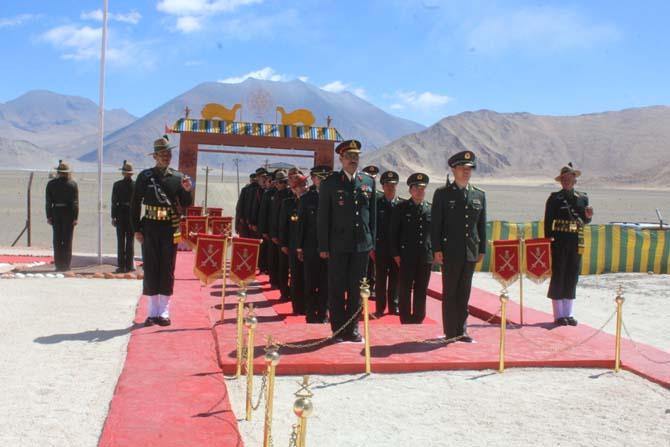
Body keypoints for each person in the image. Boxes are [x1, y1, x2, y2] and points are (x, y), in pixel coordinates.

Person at [318, 140, 376, 342]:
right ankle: (337, 329)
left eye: (356, 156)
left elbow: (372, 215)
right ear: (341, 159)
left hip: (361, 245)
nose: (353, 160)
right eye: (349, 156)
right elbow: (323, 217)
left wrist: (371, 242)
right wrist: (323, 246)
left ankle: (352, 329)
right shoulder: (330, 183)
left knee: (356, 288)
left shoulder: (368, 182)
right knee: (336, 287)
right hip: (338, 245)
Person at [131, 136, 193, 327]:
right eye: (163, 154)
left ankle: (164, 311)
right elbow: (135, 204)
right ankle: (152, 311)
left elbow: (186, 204)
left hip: (169, 227)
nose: (167, 156)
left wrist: (187, 190)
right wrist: (136, 229)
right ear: (155, 156)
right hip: (149, 226)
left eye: (169, 153)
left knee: (167, 267)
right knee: (151, 267)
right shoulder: (144, 177)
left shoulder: (178, 177)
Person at [431, 150, 486, 343]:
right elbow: (436, 224)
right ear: (453, 170)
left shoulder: (479, 195)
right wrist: (436, 249)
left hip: (470, 251)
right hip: (450, 251)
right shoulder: (443, 194)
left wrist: (482, 249)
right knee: (451, 292)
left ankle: (462, 330)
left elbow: (481, 224)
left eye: (469, 169)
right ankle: (450, 331)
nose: (466, 172)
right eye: (462, 168)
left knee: (464, 292)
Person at [544, 163, 593, 326]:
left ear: (575, 180)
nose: (566, 181)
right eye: (564, 179)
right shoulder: (554, 198)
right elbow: (548, 221)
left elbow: (584, 221)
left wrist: (588, 217)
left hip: (575, 240)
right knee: (559, 274)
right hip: (559, 240)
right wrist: (549, 239)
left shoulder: (583, 198)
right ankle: (559, 314)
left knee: (572, 274)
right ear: (561, 181)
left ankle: (569, 313)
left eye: (569, 178)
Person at [390, 173, 432, 324]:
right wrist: (395, 254)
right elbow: (393, 233)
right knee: (405, 289)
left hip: (425, 257)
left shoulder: (430, 209)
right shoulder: (401, 208)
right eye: (416, 188)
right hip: (406, 256)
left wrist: (434, 253)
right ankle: (406, 318)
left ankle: (419, 318)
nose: (420, 191)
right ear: (410, 190)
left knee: (421, 290)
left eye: (422, 188)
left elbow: (434, 234)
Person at [297, 165, 331, 323]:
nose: (322, 181)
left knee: (326, 282)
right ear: (314, 179)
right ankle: (310, 314)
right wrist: (299, 247)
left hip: (329, 247)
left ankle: (323, 313)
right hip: (310, 247)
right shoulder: (306, 199)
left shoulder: (333, 198)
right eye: (319, 178)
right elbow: (301, 225)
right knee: (310, 282)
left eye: (325, 179)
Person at [373, 170, 402, 316]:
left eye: (393, 185)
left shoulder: (402, 205)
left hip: (397, 250)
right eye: (387, 185)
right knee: (380, 279)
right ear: (382, 186)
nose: (390, 188)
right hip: (381, 248)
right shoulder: (377, 204)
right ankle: (380, 307)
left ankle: (394, 306)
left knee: (395, 279)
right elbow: (372, 226)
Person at [280, 173, 309, 314]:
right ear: (293, 188)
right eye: (300, 186)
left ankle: (309, 305)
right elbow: (283, 225)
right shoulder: (288, 203)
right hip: (293, 245)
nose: (304, 188)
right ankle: (297, 307)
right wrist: (283, 244)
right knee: (296, 276)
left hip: (308, 245)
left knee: (308, 276)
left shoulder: (312, 201)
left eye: (305, 185)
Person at [45, 160, 79, 272]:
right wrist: (75, 217)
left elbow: (48, 202)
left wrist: (48, 216)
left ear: (58, 171)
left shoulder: (51, 184)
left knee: (57, 239)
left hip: (56, 212)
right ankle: (66, 265)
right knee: (67, 240)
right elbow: (75, 203)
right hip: (69, 213)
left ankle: (58, 264)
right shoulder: (72, 184)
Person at [269, 170, 292, 301]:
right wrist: (274, 234)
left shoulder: (290, 194)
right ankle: (284, 292)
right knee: (282, 265)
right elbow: (274, 217)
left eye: (282, 182)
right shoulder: (276, 195)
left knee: (292, 267)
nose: (279, 184)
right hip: (280, 235)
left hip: (291, 234)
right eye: (277, 182)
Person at [111, 160, 136, 273]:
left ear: (123, 173)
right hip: (131, 214)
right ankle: (129, 265)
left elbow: (114, 202)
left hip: (121, 213)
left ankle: (121, 266)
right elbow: (138, 203)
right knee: (130, 241)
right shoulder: (136, 185)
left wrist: (113, 216)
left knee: (121, 241)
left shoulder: (117, 185)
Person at [258, 171, 278, 287]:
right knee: (271, 255)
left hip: (280, 231)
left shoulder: (286, 193)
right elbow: (263, 214)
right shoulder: (268, 194)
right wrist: (264, 230)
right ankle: (272, 278)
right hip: (270, 230)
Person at [362, 165, 380, 297]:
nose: (372, 177)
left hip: (374, 235)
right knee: (364, 267)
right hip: (363, 235)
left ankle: (372, 288)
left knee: (373, 265)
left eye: (374, 176)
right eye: (370, 175)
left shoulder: (379, 196)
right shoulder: (363, 193)